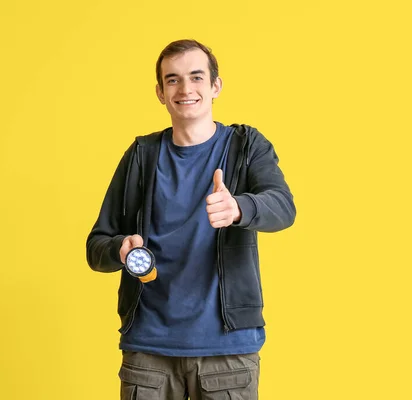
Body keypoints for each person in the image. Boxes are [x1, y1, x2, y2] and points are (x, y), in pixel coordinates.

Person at [86, 39, 296, 400]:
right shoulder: (141, 155)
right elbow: (96, 246)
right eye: (173, 80)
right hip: (149, 351)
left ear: (215, 86)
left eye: (196, 77)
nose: (185, 89)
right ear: (160, 92)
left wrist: (239, 208)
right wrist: (121, 248)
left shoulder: (246, 147)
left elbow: (283, 208)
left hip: (227, 349)